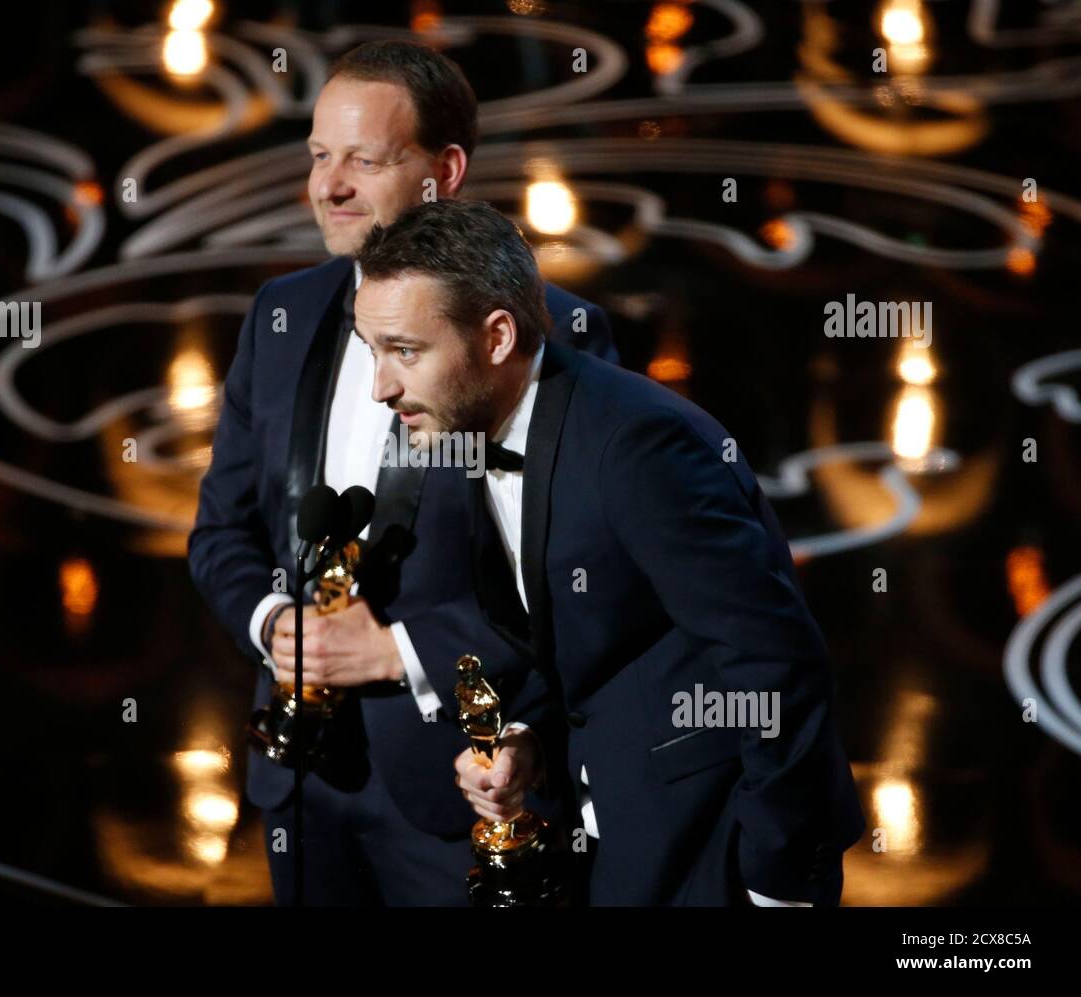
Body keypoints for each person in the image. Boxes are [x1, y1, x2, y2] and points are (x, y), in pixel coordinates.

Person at [188, 42, 616, 905]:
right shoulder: (280, 317)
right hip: (299, 783)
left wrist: (397, 652)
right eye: (318, 155)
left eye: (364, 160)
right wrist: (275, 626)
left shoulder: (551, 338)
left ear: (443, 171)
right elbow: (221, 530)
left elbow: (578, 579)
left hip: (463, 783)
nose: (327, 186)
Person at [351, 198, 865, 906]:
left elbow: (775, 662)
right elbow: (583, 635)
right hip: (613, 844)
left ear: (497, 335)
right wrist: (527, 739)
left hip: (714, 850)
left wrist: (774, 880)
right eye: (370, 351)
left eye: (404, 351)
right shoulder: (465, 429)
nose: (381, 386)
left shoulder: (638, 445)